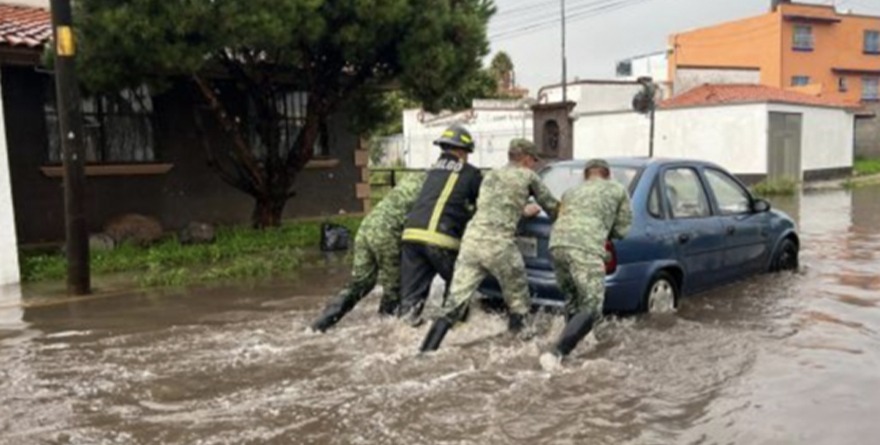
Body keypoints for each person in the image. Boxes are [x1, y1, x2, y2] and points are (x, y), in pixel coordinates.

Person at [419, 138, 559, 353]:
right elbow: (554, 209)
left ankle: (425, 352)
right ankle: (515, 353)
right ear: (526, 158)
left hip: (471, 243)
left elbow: (492, 206)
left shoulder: (491, 175)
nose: (534, 165)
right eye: (533, 160)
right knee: (518, 301)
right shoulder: (528, 176)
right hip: (499, 245)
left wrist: (520, 210)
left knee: (453, 306)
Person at [310, 171, 426, 332]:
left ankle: (320, 325)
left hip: (367, 227)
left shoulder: (412, 178)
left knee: (361, 283)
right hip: (388, 232)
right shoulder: (433, 186)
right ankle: (385, 331)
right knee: (394, 289)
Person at [543, 158, 633, 361]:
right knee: (591, 308)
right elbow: (623, 229)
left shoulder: (570, 192)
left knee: (574, 303)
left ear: (586, 175)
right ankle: (557, 354)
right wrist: (605, 232)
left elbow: (560, 216)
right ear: (607, 174)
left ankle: (572, 351)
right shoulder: (617, 190)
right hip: (585, 247)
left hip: (556, 245)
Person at [398, 124, 483, 324]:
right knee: (459, 287)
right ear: (462, 152)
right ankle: (451, 332)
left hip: (411, 237)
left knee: (410, 304)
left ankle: (405, 334)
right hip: (441, 240)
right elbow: (484, 204)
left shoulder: (431, 172)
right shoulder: (470, 173)